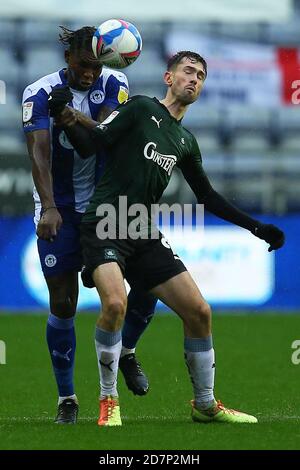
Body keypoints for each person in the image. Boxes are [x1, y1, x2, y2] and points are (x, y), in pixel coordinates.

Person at [55, 50, 285, 426]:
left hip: (142, 228)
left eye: (201, 76)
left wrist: (256, 227)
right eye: (188, 71)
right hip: (105, 220)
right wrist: (65, 117)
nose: (194, 79)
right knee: (115, 304)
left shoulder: (185, 141)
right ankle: (108, 400)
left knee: (199, 311)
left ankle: (205, 404)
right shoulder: (141, 108)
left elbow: (207, 197)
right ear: (169, 77)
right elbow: (93, 141)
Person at [22, 25, 158, 424]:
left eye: (95, 67)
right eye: (83, 66)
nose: (89, 74)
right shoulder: (38, 92)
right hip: (60, 206)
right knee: (64, 303)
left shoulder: (115, 83)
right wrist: (48, 207)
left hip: (105, 204)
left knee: (148, 282)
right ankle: (67, 398)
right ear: (68, 59)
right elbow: (39, 154)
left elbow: (101, 138)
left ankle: (128, 351)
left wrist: (69, 116)